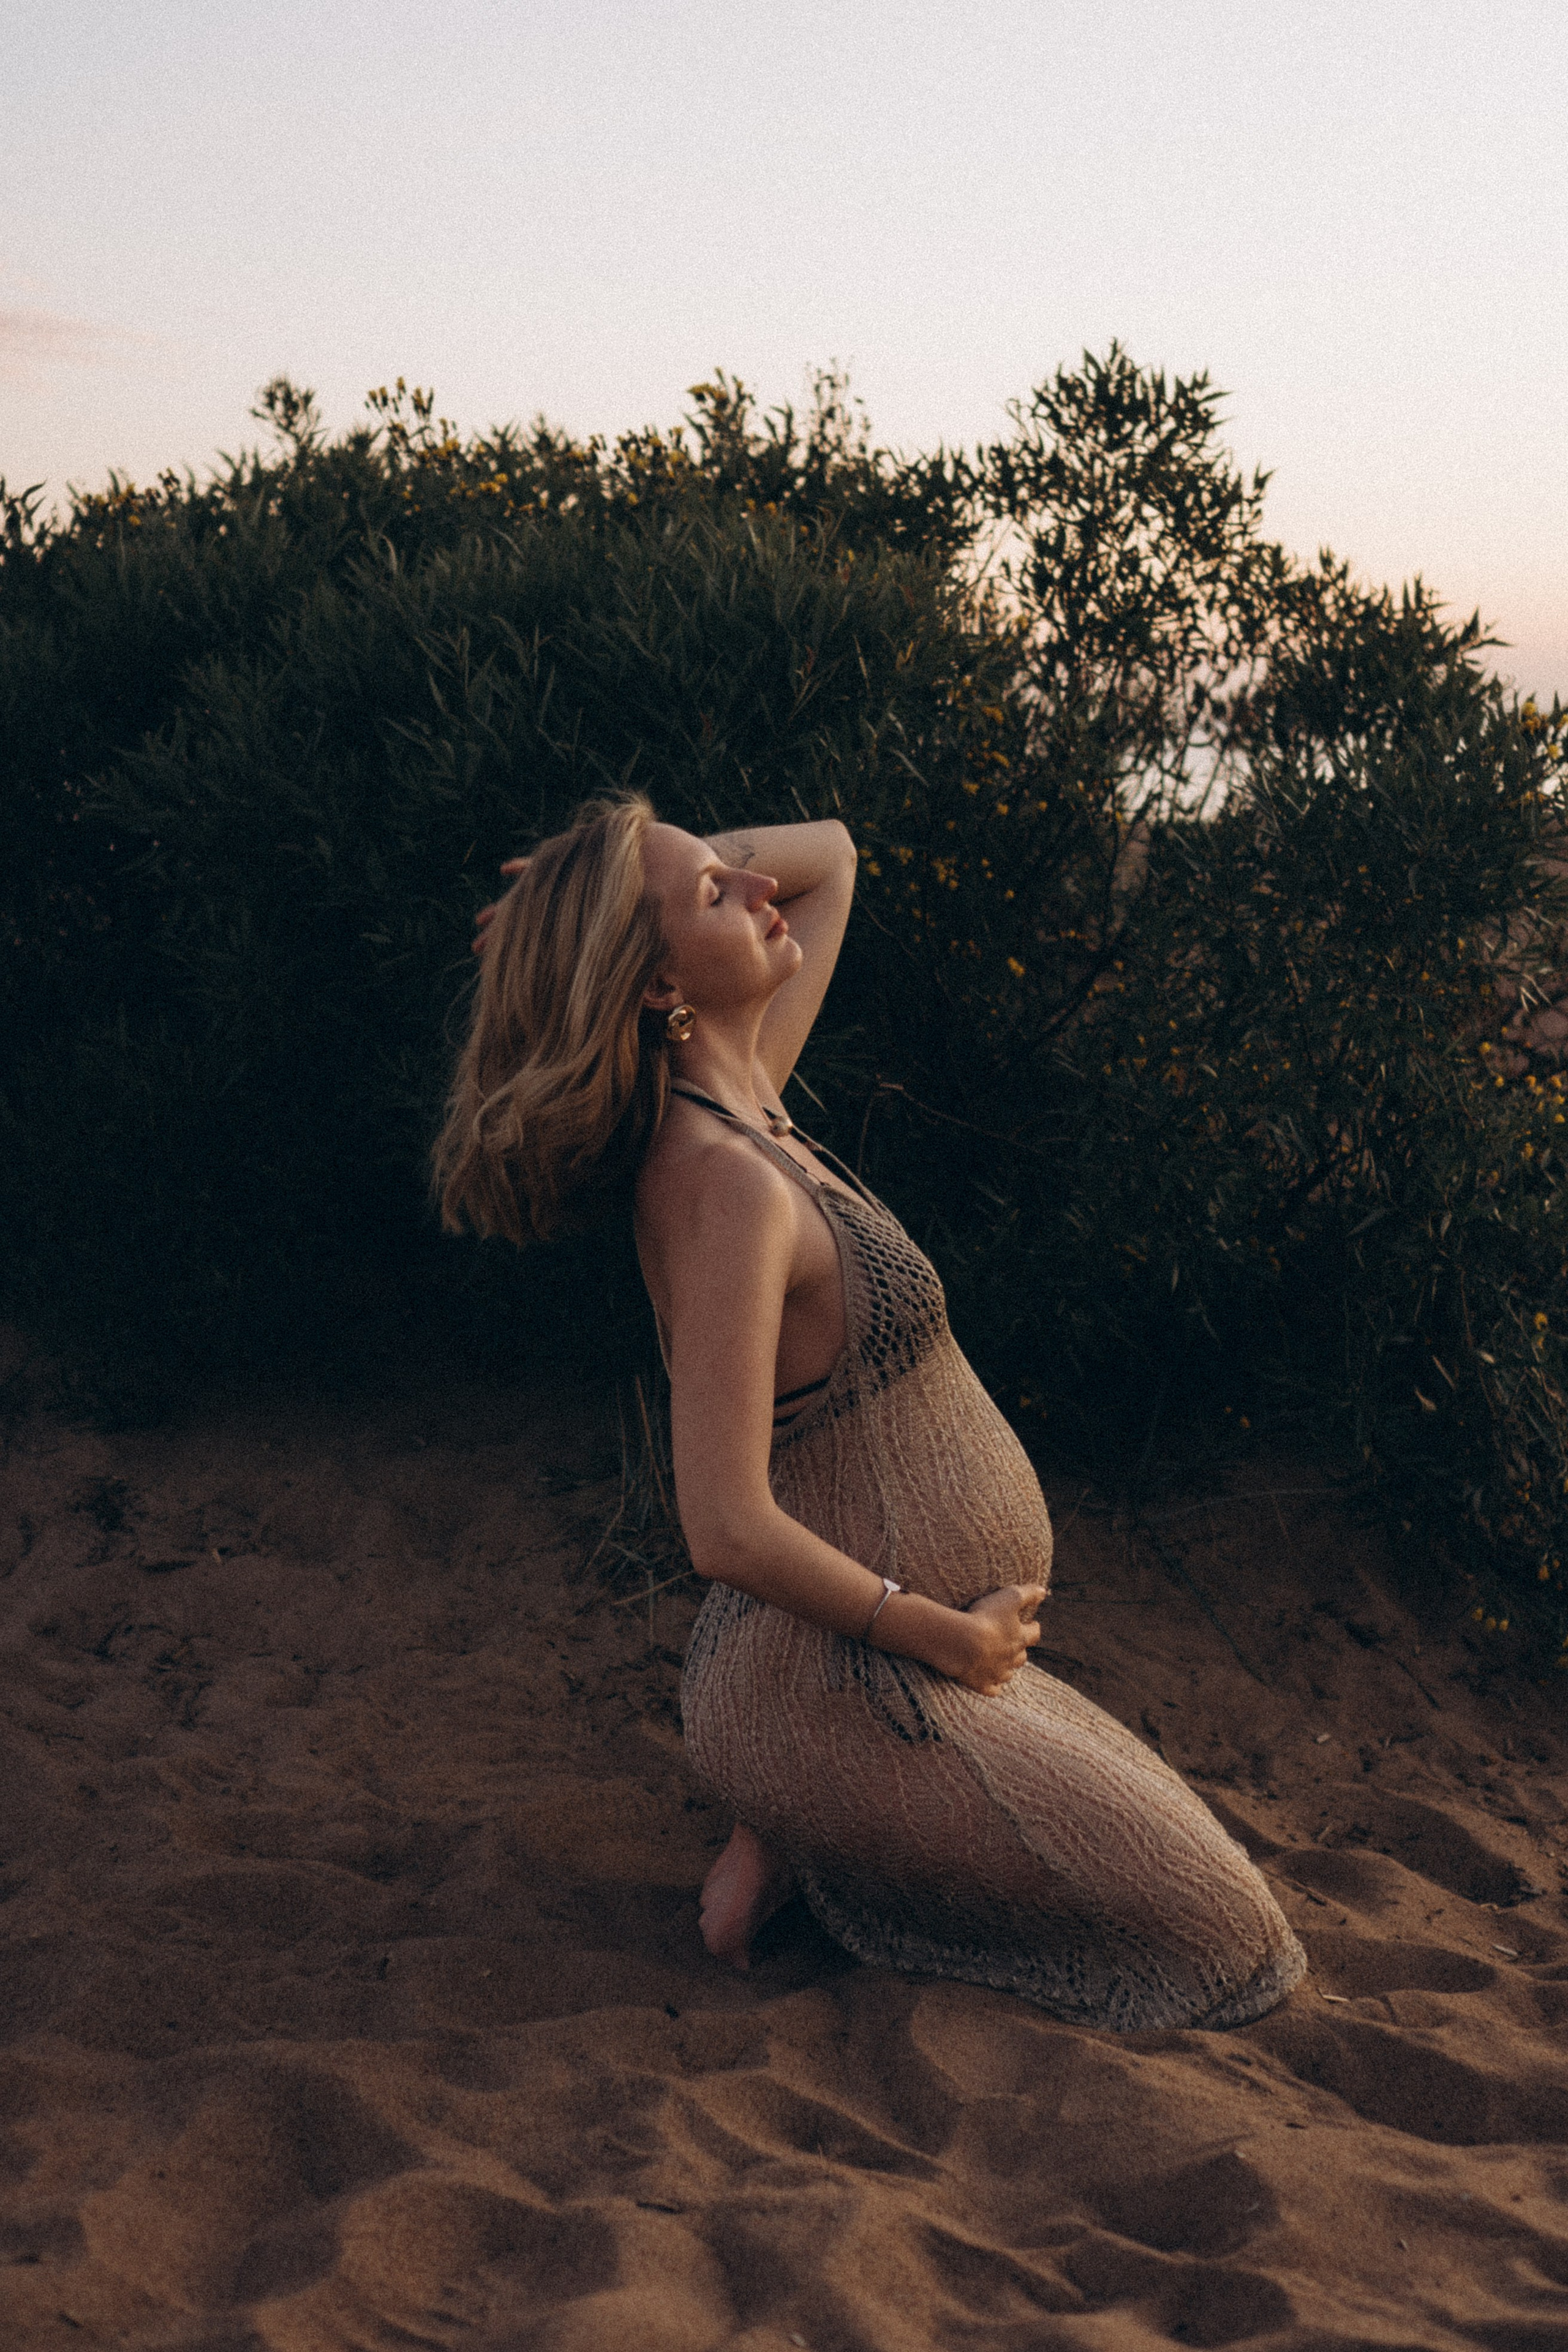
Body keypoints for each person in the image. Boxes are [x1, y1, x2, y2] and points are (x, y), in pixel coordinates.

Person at [437, 794, 1306, 2029]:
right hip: (846, 1676)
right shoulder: (724, 1188)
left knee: (1199, 1898)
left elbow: (833, 854)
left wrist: (617, 877)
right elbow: (723, 1526)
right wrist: (944, 1642)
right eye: (712, 897)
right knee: (1229, 1949)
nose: (757, 890)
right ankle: (805, 1810)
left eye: (736, 871)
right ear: (647, 986)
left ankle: (789, 1836)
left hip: (875, 1661)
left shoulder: (747, 1096)